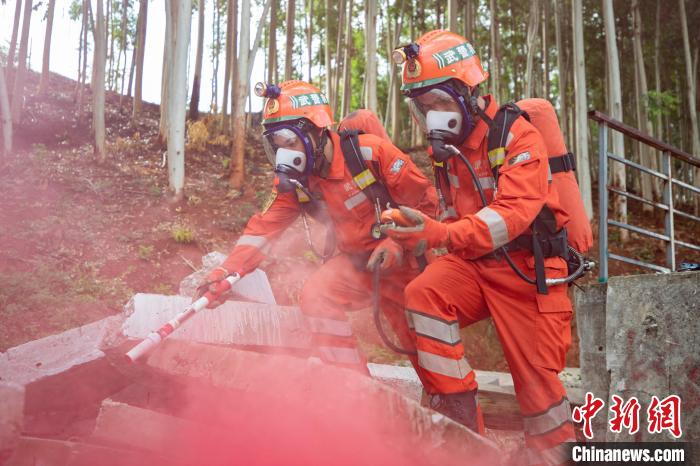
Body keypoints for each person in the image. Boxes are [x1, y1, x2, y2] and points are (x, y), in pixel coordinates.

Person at [383, 30, 577, 464]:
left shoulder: (517, 135)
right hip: (474, 262)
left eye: (438, 102)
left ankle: (554, 456)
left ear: (468, 93)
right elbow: (452, 215)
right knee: (422, 294)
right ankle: (460, 432)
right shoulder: (446, 152)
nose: (432, 116)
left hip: (529, 271)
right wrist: (408, 240)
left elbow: (511, 215)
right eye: (422, 106)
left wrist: (439, 234)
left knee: (540, 394)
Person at [200, 80, 437, 372]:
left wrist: (397, 242)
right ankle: (351, 387)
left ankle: (447, 404)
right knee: (318, 294)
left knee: (426, 354)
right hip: (360, 265)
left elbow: (427, 205)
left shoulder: (369, 153)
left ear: (315, 130)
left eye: (289, 142)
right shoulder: (297, 182)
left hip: (406, 265)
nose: (285, 154)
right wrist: (225, 271)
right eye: (276, 145)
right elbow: (262, 230)